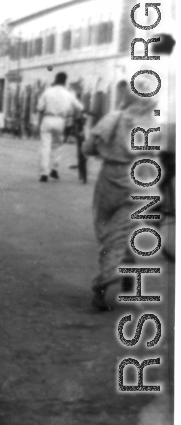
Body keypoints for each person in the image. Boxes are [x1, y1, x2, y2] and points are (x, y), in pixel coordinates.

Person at [81, 79, 163, 311]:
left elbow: (88, 148)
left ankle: (105, 283)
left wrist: (105, 150)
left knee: (108, 233)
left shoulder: (113, 119)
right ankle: (123, 280)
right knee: (126, 231)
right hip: (138, 181)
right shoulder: (151, 123)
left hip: (110, 180)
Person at [36, 73, 83, 182]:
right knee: (57, 146)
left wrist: (39, 123)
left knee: (45, 147)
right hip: (60, 121)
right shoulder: (69, 94)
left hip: (47, 119)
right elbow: (79, 107)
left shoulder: (47, 92)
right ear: (65, 81)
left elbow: (40, 108)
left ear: (55, 80)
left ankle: (44, 173)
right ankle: (54, 169)